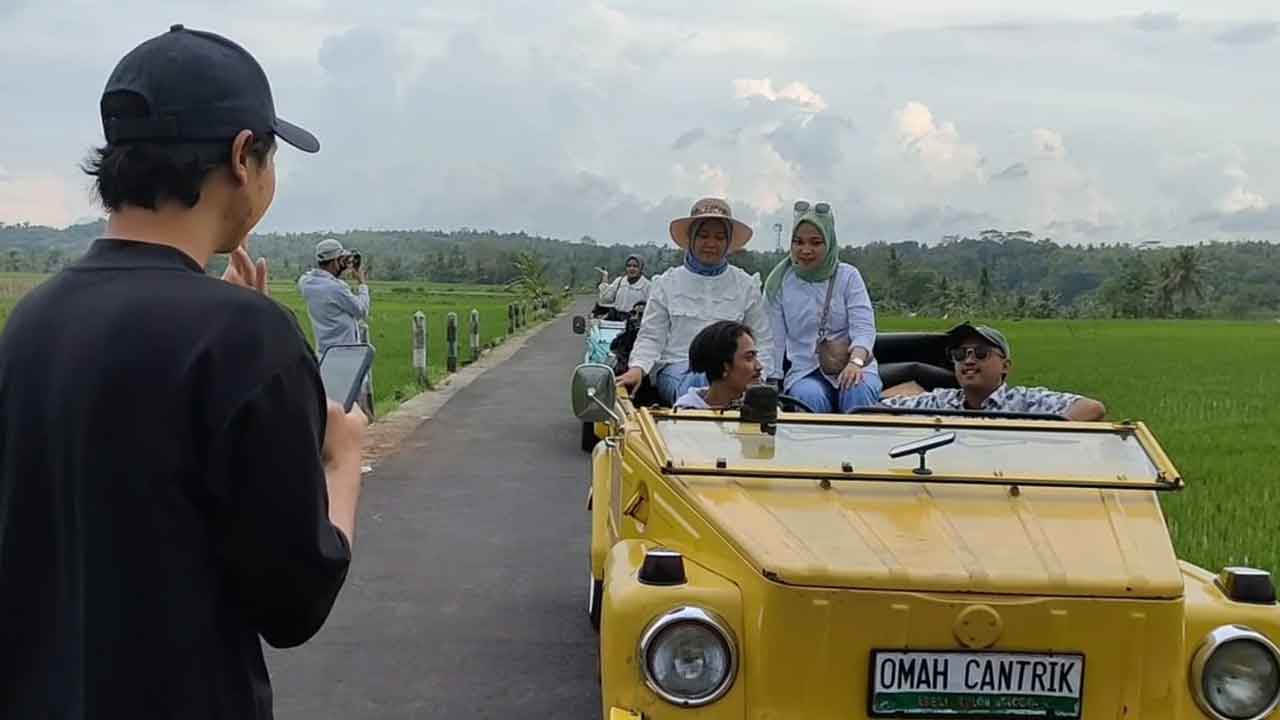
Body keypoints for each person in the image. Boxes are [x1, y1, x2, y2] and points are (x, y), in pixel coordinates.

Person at [0, 25, 367, 719]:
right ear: (240, 157)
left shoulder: (34, 321)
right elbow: (294, 601)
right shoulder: (243, 339)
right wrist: (342, 462)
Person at [617, 197, 776, 405]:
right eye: (703, 236)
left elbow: (762, 341)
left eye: (719, 237)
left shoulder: (746, 285)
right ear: (691, 239)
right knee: (707, 383)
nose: (711, 243)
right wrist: (637, 368)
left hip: (735, 371)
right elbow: (651, 337)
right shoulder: (666, 283)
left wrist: (758, 379)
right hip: (678, 368)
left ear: (728, 243)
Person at [765, 201, 882, 412]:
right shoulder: (780, 282)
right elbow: (774, 339)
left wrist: (855, 363)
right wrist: (772, 381)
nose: (806, 250)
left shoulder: (848, 277)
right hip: (805, 371)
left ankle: (861, 445)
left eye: (815, 242)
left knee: (857, 389)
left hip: (852, 365)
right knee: (808, 397)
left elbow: (863, 328)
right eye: (798, 242)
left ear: (829, 242)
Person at [879, 322, 1107, 420]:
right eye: (960, 354)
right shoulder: (939, 402)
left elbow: (1091, 408)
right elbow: (872, 412)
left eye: (980, 353)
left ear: (1005, 366)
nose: (968, 360)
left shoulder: (1025, 402)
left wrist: (1042, 436)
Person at [298, 237, 371, 356]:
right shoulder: (336, 288)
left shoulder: (306, 283)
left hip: (324, 354)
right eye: (341, 260)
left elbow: (311, 275)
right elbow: (362, 311)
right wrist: (362, 283)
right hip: (346, 354)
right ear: (334, 262)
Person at [674, 321, 764, 409]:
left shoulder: (762, 408)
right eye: (749, 358)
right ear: (725, 366)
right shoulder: (686, 413)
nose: (759, 366)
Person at [596, 254, 650, 319]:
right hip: (617, 321)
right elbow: (606, 299)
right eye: (629, 266)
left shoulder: (647, 285)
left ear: (640, 268)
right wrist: (605, 278)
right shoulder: (619, 281)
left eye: (635, 266)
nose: (631, 268)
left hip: (636, 322)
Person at [608, 300, 646, 373]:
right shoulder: (619, 340)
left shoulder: (655, 344)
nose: (634, 318)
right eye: (633, 313)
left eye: (641, 315)